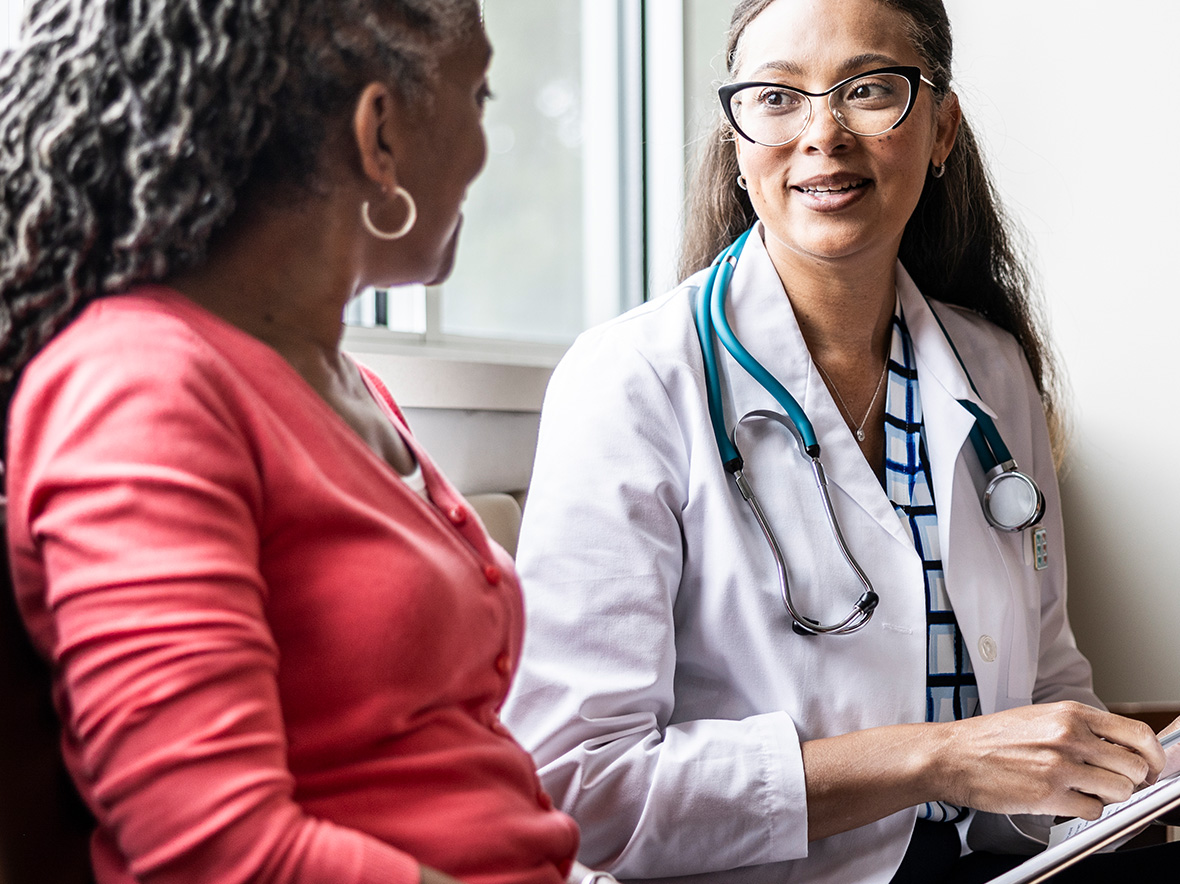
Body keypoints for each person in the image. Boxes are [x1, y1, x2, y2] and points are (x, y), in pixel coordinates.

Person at [502, 1, 1180, 882]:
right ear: (738, 139)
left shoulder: (992, 370)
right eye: (778, 97)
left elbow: (1048, 687)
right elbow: (579, 790)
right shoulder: (630, 381)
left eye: (867, 90)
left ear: (940, 130)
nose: (823, 134)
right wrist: (933, 759)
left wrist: (1139, 777)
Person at [0, 2, 596, 883]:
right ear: (379, 133)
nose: (483, 147)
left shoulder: (348, 387)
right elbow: (217, 850)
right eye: (480, 96)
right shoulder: (139, 384)